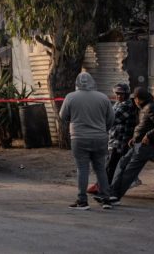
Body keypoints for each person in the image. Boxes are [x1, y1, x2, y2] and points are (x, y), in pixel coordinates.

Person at [58, 71, 114, 210]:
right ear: (92, 82)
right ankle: (106, 199)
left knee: (82, 169)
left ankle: (82, 201)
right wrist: (103, 129)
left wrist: (75, 120)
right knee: (100, 168)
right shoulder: (103, 98)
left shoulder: (70, 97)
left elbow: (63, 116)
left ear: (77, 83)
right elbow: (111, 119)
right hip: (100, 138)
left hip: (79, 138)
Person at [106, 87, 154, 206]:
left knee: (130, 170)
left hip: (146, 145)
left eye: (134, 98)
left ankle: (115, 196)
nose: (134, 101)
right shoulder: (145, 107)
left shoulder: (152, 107)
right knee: (122, 163)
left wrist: (148, 135)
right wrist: (134, 138)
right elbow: (145, 125)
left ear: (138, 99)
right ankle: (111, 192)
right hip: (138, 143)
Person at [106, 83, 138, 185]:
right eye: (117, 93)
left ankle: (107, 186)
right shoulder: (118, 104)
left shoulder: (127, 105)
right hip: (114, 139)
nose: (119, 96)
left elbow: (112, 120)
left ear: (127, 94)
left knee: (112, 165)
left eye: (121, 94)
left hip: (120, 141)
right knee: (112, 164)